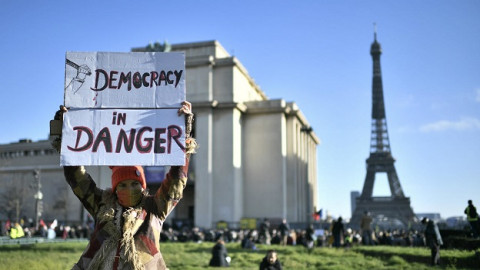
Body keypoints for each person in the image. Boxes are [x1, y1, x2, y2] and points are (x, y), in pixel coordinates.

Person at [50, 101, 196, 270]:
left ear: (143, 185)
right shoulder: (101, 205)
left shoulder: (155, 208)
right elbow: (77, 179)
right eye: (123, 184)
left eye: (135, 183)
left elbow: (176, 181)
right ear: (115, 187)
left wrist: (183, 136)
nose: (129, 188)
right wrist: (67, 134)